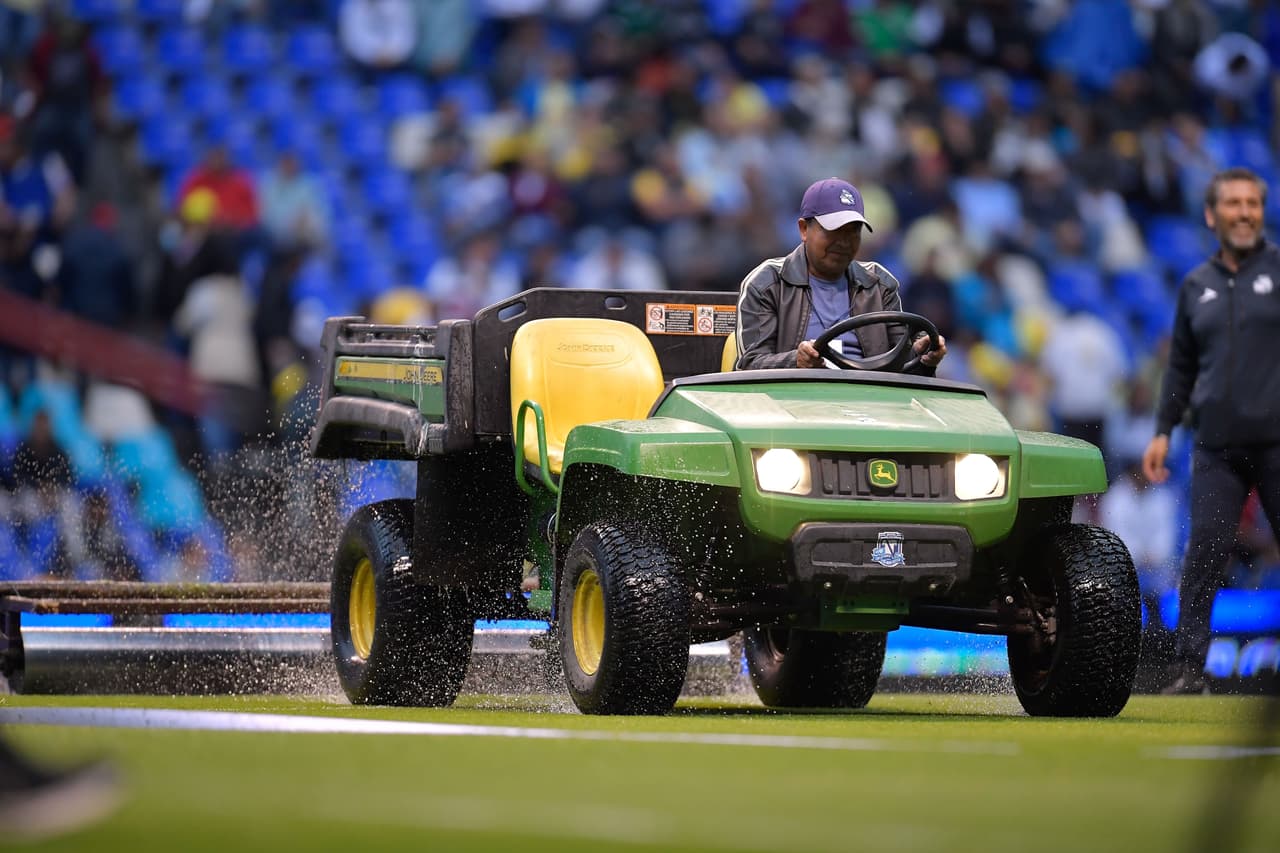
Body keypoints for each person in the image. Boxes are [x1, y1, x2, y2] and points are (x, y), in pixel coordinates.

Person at [1141, 167, 1280, 695]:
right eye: (1233, 203)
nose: (1244, 212)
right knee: (1203, 555)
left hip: (1276, 442)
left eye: (1253, 203)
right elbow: (1180, 366)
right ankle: (1189, 670)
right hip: (1216, 446)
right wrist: (1161, 431)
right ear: (1211, 215)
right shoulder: (1195, 286)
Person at [734, 177, 947, 372]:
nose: (844, 242)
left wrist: (923, 355)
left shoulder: (879, 284)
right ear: (804, 229)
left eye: (853, 231)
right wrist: (796, 361)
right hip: (793, 402)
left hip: (870, 401)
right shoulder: (767, 283)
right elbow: (750, 363)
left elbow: (901, 366)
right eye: (833, 230)